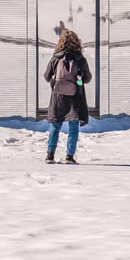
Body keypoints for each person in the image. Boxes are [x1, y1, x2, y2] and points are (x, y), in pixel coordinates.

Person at [43, 25, 92, 164]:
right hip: (75, 97)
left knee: (55, 125)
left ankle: (50, 155)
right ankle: (69, 157)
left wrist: (55, 82)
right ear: (77, 42)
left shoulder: (55, 58)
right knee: (73, 127)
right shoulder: (80, 59)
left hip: (58, 97)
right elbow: (87, 79)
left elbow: (46, 76)